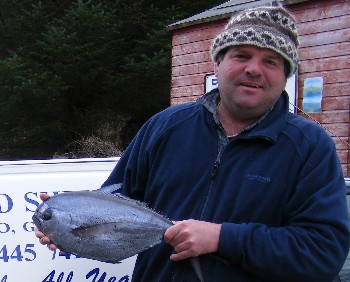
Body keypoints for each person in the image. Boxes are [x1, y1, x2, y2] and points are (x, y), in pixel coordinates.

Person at [36, 4, 349, 282]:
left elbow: (323, 252)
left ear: (284, 76)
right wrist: (68, 218)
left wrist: (222, 238)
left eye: (271, 61)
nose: (253, 69)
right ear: (218, 63)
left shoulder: (310, 146)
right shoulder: (165, 126)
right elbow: (117, 200)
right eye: (241, 55)